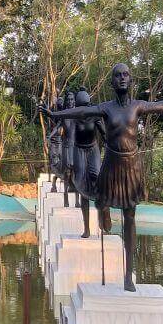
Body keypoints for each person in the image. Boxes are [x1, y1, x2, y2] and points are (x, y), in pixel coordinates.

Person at [49, 63, 163, 291]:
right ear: (112, 82)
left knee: (130, 216)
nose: (122, 79)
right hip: (111, 164)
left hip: (131, 165)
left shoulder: (138, 106)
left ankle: (127, 276)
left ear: (131, 80)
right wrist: (55, 113)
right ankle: (103, 210)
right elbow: (82, 112)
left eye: (126, 75)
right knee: (101, 199)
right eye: (117, 76)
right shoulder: (106, 108)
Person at [70, 88, 112, 238]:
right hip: (78, 150)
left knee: (97, 177)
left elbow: (105, 135)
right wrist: (70, 159)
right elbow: (69, 139)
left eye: (86, 108)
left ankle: (104, 208)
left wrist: (113, 147)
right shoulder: (74, 117)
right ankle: (86, 228)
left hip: (93, 149)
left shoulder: (95, 116)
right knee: (82, 186)